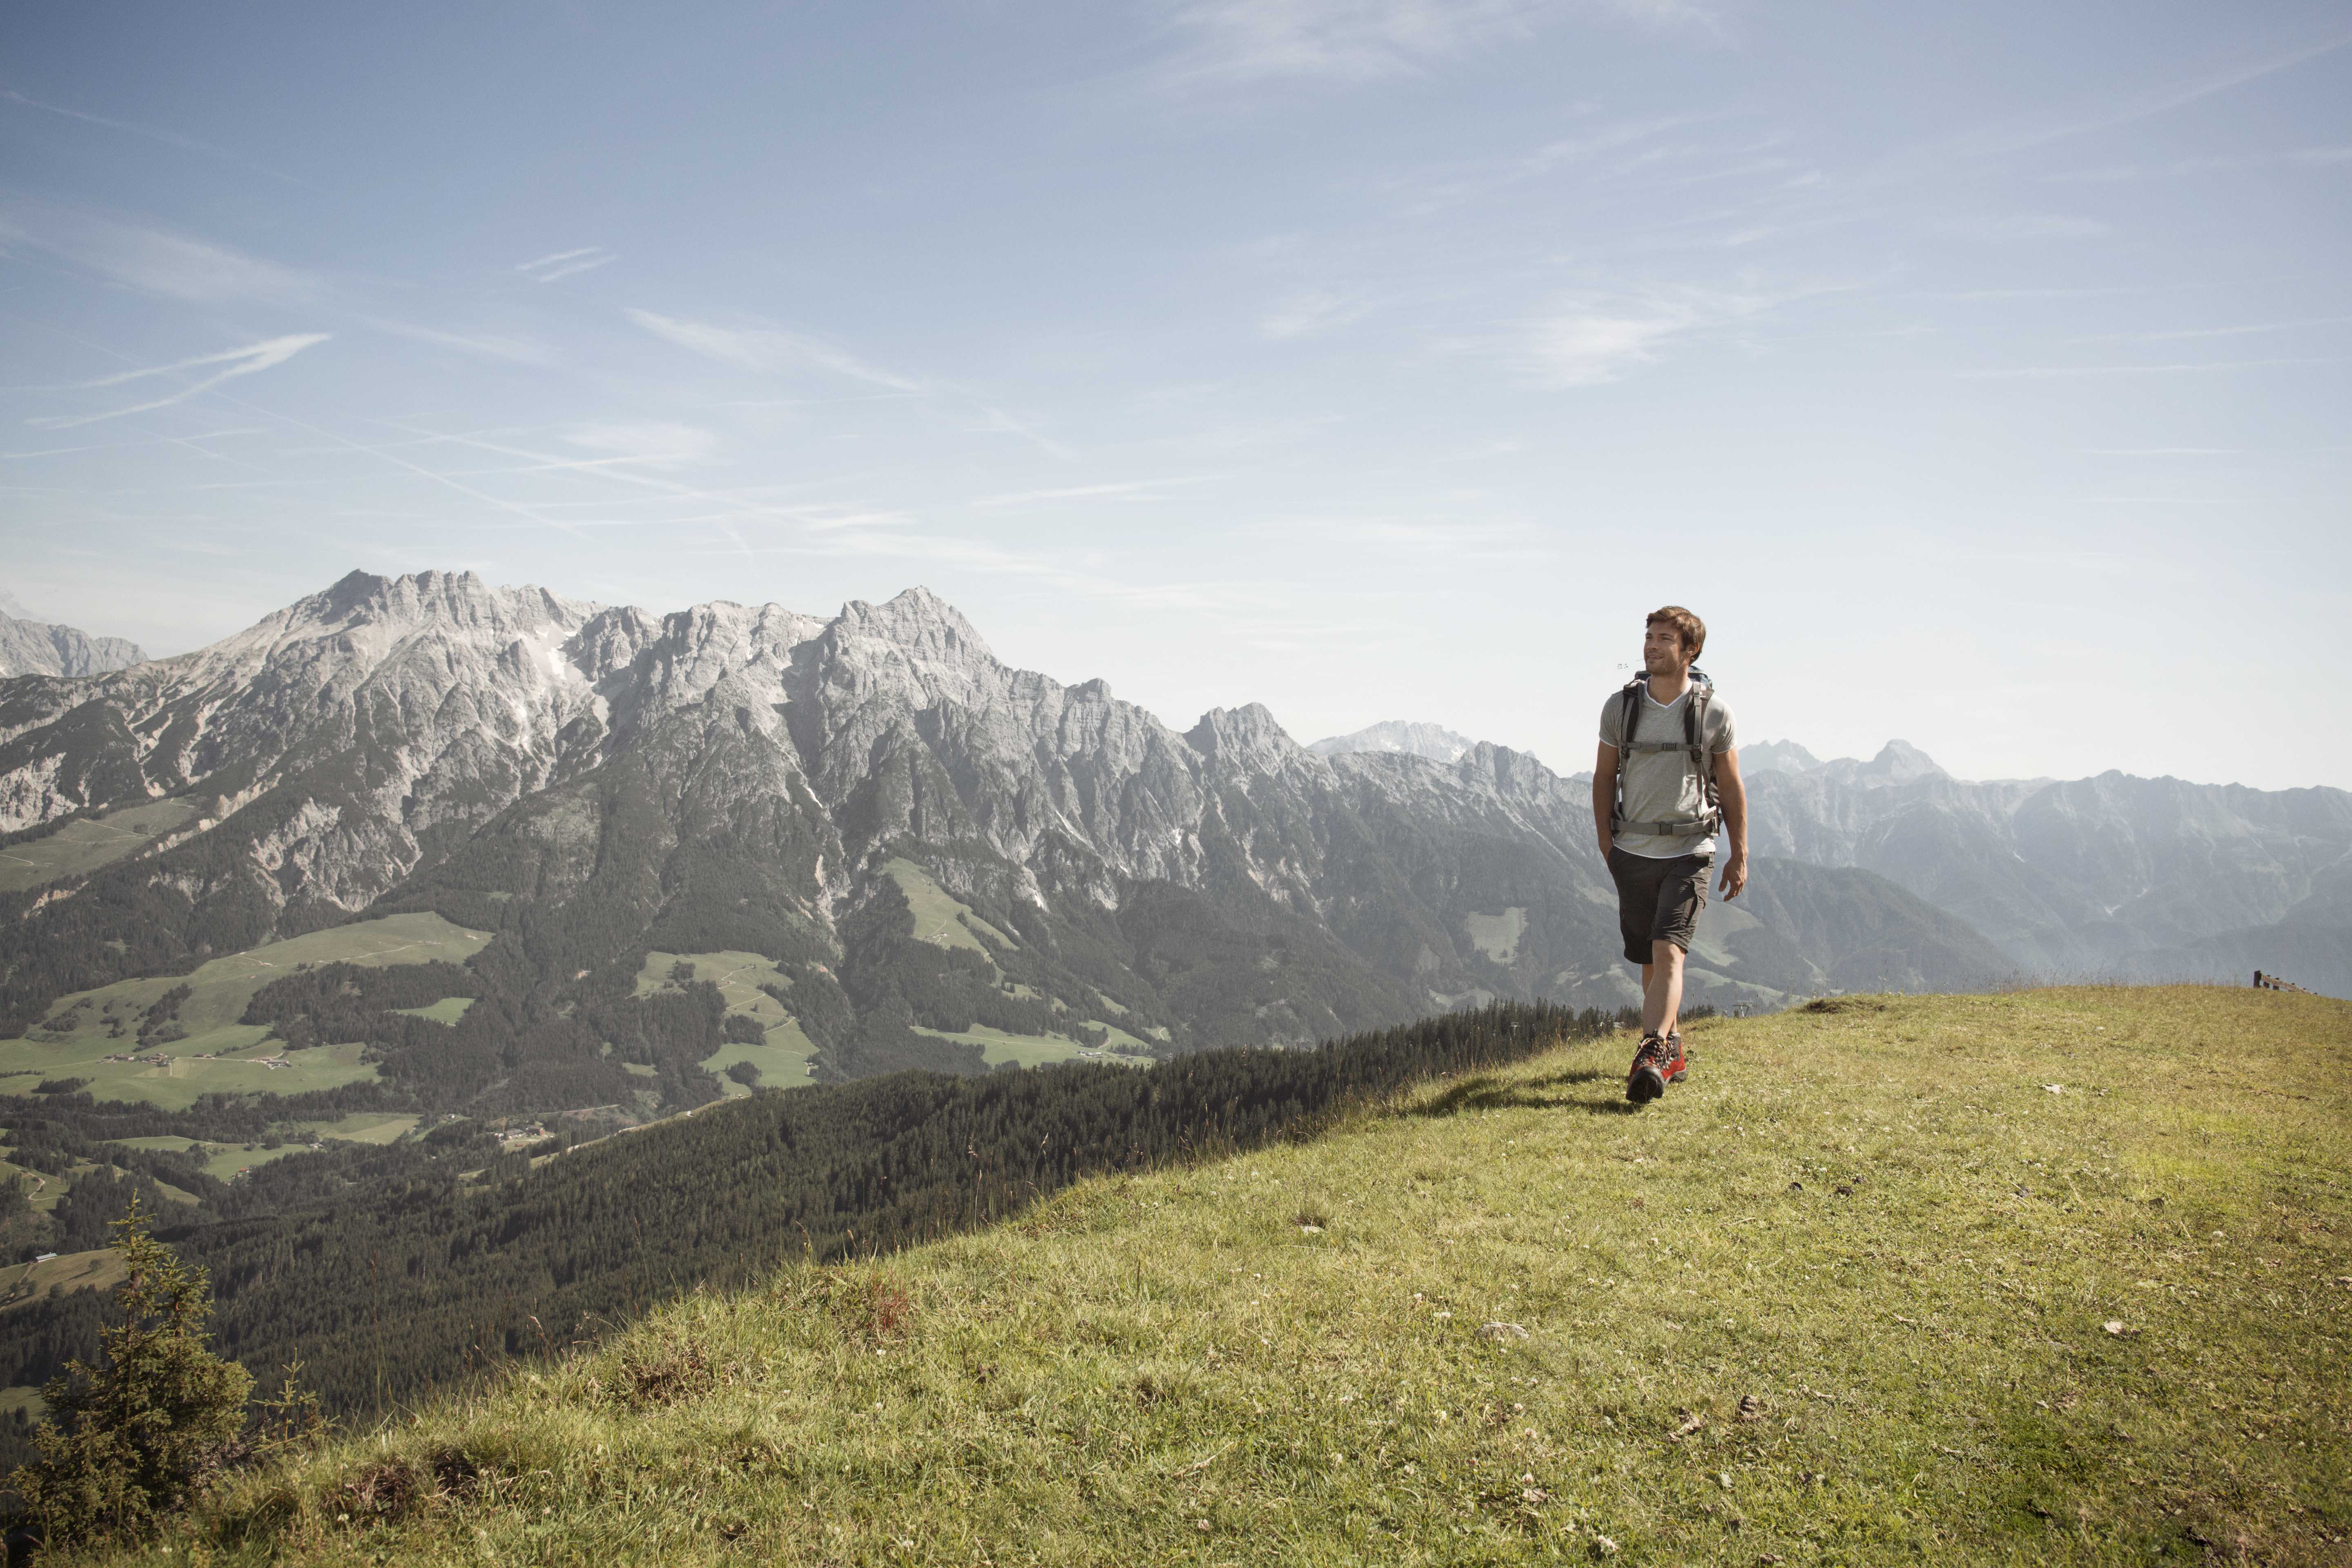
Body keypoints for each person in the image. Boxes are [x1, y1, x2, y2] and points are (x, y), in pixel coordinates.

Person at [1591, 606, 1748, 1104]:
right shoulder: (1620, 708)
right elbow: (1602, 777)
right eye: (1649, 637)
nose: (1652, 646)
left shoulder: (1714, 712)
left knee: (1668, 951)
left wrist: (1738, 851)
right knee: (1648, 957)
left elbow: (1731, 785)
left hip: (1691, 849)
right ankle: (1673, 1044)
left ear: (1690, 651)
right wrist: (1605, 843)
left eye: (1664, 639)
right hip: (1633, 850)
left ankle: (1651, 1051)